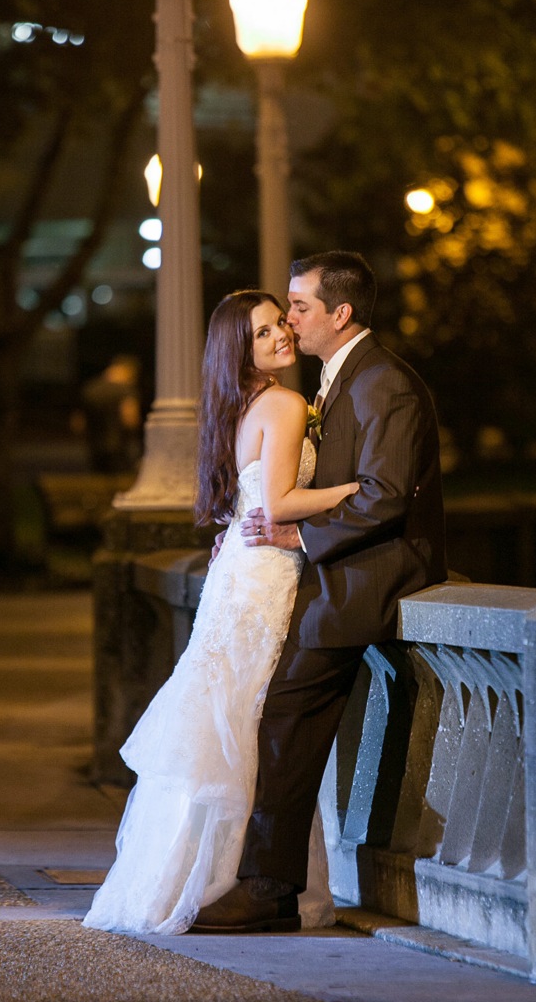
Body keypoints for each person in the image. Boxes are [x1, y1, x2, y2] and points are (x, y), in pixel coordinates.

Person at [83, 290, 359, 935]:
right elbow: (282, 502)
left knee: (227, 710)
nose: (281, 337)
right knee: (248, 718)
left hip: (241, 566)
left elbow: (251, 501)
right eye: (263, 333)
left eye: (280, 324)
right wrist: (355, 491)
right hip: (264, 573)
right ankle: (235, 879)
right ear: (242, 349)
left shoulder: (243, 407)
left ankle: (191, 874)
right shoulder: (287, 403)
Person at [190, 251, 447, 933]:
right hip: (339, 567)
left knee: (286, 713)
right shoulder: (339, 378)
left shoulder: (382, 382)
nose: (291, 316)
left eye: (299, 306)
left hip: (370, 573)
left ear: (341, 313)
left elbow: (385, 496)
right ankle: (263, 879)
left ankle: (270, 888)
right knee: (275, 711)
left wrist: (297, 540)